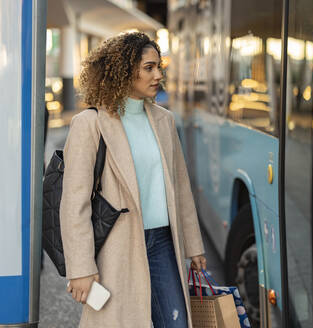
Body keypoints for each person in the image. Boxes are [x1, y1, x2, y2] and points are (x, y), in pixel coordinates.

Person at [60, 32, 206, 328]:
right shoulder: (89, 124)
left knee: (176, 322)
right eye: (149, 68)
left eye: (159, 67)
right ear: (126, 71)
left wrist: (194, 245)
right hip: (118, 246)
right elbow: (74, 203)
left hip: (163, 242)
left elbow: (180, 188)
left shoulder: (164, 120)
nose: (158, 75)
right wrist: (80, 268)